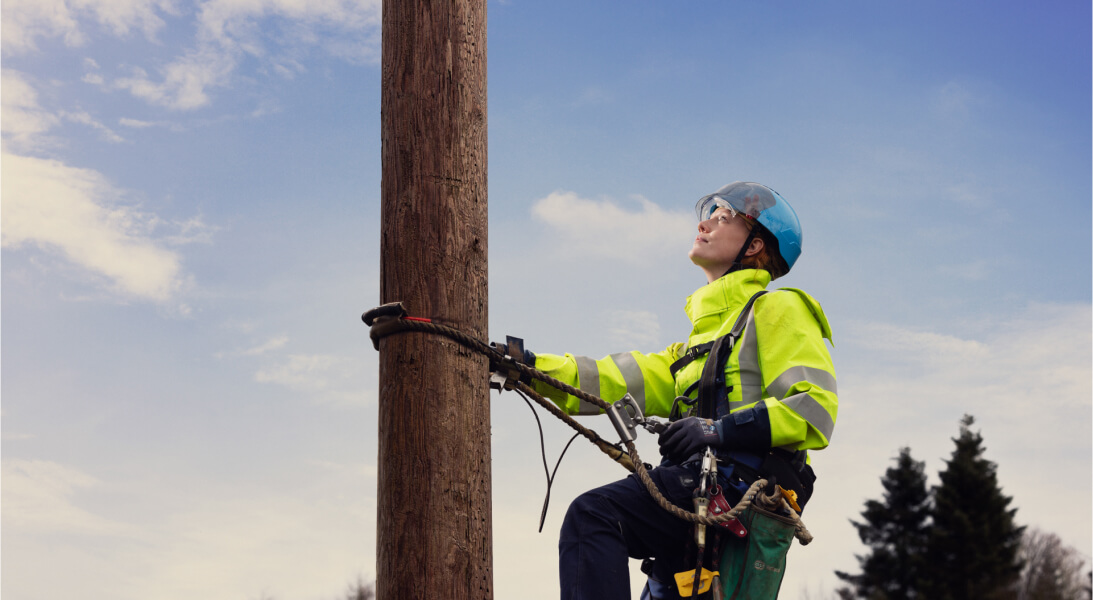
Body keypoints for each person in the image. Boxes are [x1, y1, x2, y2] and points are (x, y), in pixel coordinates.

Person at [526, 182, 838, 600]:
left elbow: (812, 408)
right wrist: (527, 367)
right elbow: (608, 379)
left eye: (723, 217)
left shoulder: (777, 309)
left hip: (734, 487)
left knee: (595, 515)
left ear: (754, 245)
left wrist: (717, 430)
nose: (704, 223)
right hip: (697, 496)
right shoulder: (691, 349)